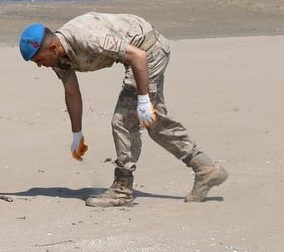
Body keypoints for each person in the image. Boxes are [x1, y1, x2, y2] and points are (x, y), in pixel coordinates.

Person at [18, 12, 229, 207]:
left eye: (39, 60)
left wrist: (144, 101)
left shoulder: (85, 37)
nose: (39, 66)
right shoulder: (59, 59)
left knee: (123, 121)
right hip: (137, 56)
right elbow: (72, 92)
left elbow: (138, 56)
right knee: (153, 122)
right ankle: (206, 169)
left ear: (52, 48)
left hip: (148, 50)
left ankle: (122, 188)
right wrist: (77, 134)